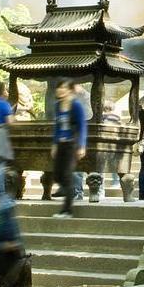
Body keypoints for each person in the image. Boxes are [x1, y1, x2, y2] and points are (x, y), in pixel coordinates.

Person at [51, 78, 87, 218]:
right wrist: (54, 144)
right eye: (59, 87)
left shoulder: (76, 105)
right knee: (57, 175)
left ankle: (67, 210)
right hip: (60, 144)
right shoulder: (57, 105)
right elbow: (57, 127)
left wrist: (82, 145)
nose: (60, 90)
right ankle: (69, 193)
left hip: (72, 144)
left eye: (64, 87)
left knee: (67, 175)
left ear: (70, 90)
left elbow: (82, 126)